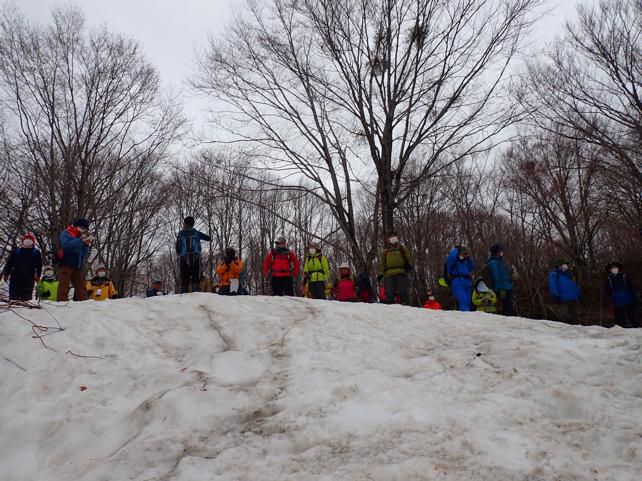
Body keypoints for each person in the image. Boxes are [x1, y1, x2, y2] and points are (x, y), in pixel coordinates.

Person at [57, 218, 92, 301]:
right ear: (76, 226)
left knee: (81, 286)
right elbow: (65, 246)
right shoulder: (66, 233)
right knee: (64, 285)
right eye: (81, 227)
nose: (82, 230)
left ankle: (85, 303)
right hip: (66, 263)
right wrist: (79, 240)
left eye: (84, 229)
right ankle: (61, 302)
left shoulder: (81, 237)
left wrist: (86, 245)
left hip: (77, 264)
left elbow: (83, 253)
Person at [2, 232, 42, 301]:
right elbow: (9, 264)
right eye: (26, 239)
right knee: (13, 299)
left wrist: (38, 275)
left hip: (29, 279)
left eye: (30, 239)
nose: (28, 241)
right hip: (15, 279)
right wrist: (6, 274)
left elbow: (39, 266)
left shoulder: (36, 252)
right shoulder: (16, 251)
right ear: (23, 241)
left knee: (26, 300)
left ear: (33, 242)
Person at [175, 216, 211, 294]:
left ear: (187, 224)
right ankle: (195, 294)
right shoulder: (196, 233)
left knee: (184, 277)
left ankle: (183, 294)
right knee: (195, 276)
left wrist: (179, 254)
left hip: (184, 258)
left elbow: (177, 247)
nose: (183, 225)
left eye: (184, 223)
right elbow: (208, 238)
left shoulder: (181, 234)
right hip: (195, 258)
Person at [378, 232, 412, 305]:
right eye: (391, 236)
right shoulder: (385, 251)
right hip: (389, 274)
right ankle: (391, 309)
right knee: (389, 293)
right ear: (388, 240)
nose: (393, 238)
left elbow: (408, 258)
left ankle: (406, 306)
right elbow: (382, 263)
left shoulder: (402, 249)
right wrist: (381, 273)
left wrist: (409, 266)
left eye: (394, 236)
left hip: (401, 272)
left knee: (403, 292)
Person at [604, 262, 639, 328]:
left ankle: (637, 331)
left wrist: (635, 297)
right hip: (617, 302)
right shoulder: (608, 279)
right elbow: (606, 290)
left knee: (632, 318)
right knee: (619, 321)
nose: (614, 269)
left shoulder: (625, 277)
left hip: (629, 301)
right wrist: (607, 299)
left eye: (615, 267)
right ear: (609, 270)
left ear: (619, 268)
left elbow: (632, 287)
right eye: (612, 268)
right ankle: (622, 335)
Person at [548, 258, 580, 325]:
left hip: (574, 300)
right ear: (559, 265)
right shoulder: (555, 274)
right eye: (564, 264)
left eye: (566, 265)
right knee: (564, 320)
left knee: (575, 321)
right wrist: (556, 297)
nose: (566, 266)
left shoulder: (569, 275)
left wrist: (578, 295)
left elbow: (575, 285)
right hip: (563, 300)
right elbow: (552, 286)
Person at [485, 243, 514, 315]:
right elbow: (496, 276)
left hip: (507, 287)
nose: (502, 252)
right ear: (497, 252)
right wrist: (501, 288)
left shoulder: (500, 262)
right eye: (500, 250)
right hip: (502, 288)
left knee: (509, 307)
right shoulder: (494, 263)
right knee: (506, 307)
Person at [445, 246, 476, 311]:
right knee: (463, 300)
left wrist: (468, 257)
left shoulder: (465, 262)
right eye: (462, 253)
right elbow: (451, 258)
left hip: (467, 283)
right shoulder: (453, 261)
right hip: (457, 283)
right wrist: (456, 249)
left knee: (468, 302)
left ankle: (468, 318)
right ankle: (466, 318)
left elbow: (472, 266)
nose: (463, 254)